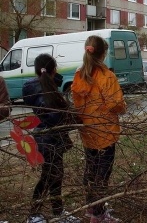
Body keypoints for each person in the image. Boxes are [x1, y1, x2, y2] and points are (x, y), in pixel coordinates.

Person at [71, 35, 126, 223]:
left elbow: (77, 104)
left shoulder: (79, 74)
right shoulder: (106, 76)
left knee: (91, 170)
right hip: (105, 132)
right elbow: (116, 103)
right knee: (102, 174)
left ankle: (91, 208)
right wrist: (122, 106)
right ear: (103, 54)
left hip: (87, 132)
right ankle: (98, 214)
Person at [22, 54, 80, 223]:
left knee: (54, 175)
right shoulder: (45, 89)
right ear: (53, 69)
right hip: (50, 138)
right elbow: (54, 117)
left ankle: (56, 211)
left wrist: (53, 76)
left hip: (46, 138)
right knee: (49, 176)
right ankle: (35, 214)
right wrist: (72, 118)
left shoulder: (37, 86)